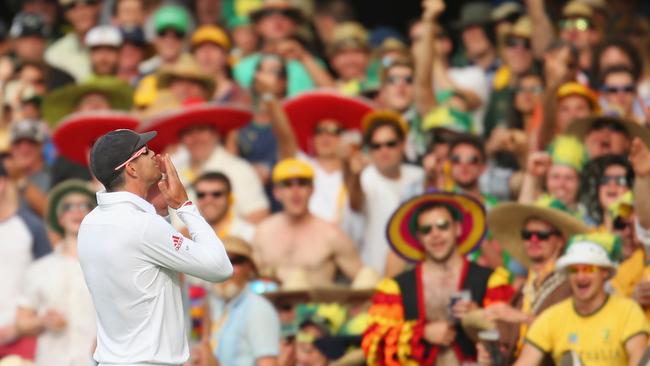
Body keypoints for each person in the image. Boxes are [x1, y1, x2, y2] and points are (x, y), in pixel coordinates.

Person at [77, 129, 233, 364]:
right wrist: (184, 205)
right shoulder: (142, 225)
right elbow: (220, 268)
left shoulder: (90, 222)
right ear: (131, 168)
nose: (155, 155)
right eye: (146, 151)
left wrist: (161, 212)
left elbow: (144, 261)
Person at [363, 192, 492, 365]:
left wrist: (480, 318)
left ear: (458, 228)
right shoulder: (396, 287)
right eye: (426, 229)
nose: (435, 234)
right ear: (419, 237)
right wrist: (421, 333)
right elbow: (373, 343)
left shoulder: (489, 279)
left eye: (442, 226)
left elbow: (512, 336)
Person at [503, 233, 649, 366]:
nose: (580, 276)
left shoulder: (627, 311)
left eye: (588, 269)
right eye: (574, 270)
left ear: (604, 272)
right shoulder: (552, 317)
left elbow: (638, 360)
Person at [481, 200, 589, 364]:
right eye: (527, 235)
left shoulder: (573, 283)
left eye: (542, 235)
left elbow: (573, 332)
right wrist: (491, 351)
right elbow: (508, 340)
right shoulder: (525, 287)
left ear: (560, 241)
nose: (533, 240)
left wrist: (521, 317)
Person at [15, 180, 97, 366]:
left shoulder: (110, 266)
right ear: (60, 218)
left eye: (84, 206)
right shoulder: (39, 269)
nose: (77, 211)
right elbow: (21, 322)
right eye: (69, 207)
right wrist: (42, 321)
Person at [252, 158, 362, 285]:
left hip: (316, 303)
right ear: (277, 192)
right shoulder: (263, 232)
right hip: (272, 303)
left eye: (302, 183)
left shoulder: (331, 234)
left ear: (312, 190)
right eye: (287, 185)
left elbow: (363, 280)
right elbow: (250, 278)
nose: (295, 191)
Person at [346, 110, 425, 276]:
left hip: (417, 274)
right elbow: (355, 203)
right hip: (377, 275)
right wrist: (354, 177)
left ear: (403, 144)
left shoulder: (419, 176)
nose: (384, 150)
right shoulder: (365, 178)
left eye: (390, 144)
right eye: (376, 146)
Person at [0, 159, 51, 360]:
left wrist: (21, 326)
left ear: (2, 183)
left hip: (22, 338)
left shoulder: (31, 226)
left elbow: (47, 279)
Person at [204, 236, 280, 366]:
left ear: (249, 267)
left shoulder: (258, 309)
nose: (226, 268)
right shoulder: (216, 304)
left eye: (233, 261)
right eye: (220, 261)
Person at [44, 0, 101, 81]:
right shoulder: (54, 54)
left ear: (99, 7)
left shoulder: (118, 44)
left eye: (88, 3)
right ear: (65, 14)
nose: (81, 11)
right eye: (72, 6)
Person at [193, 172, 255, 242]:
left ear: (230, 198)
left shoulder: (248, 235)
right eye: (201, 195)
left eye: (216, 194)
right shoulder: (189, 236)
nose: (208, 200)